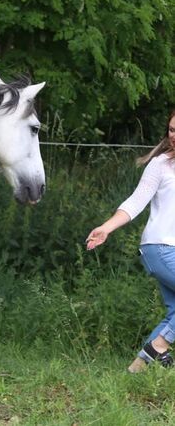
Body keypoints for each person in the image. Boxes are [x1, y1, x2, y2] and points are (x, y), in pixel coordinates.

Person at [86, 110, 175, 373]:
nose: (173, 136)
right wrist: (106, 227)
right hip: (160, 247)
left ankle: (136, 370)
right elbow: (136, 201)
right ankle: (158, 346)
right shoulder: (161, 164)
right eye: (171, 130)